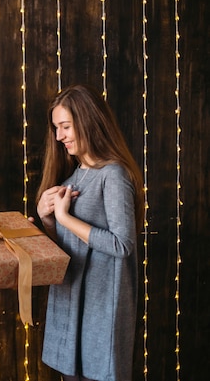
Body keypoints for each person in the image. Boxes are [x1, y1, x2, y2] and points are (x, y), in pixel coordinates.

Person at [36, 84, 143, 381]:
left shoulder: (114, 175)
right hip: (71, 301)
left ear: (88, 121)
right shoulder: (73, 177)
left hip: (101, 304)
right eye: (57, 128)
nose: (59, 137)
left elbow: (122, 244)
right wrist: (48, 221)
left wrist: (64, 217)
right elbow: (68, 250)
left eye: (66, 127)